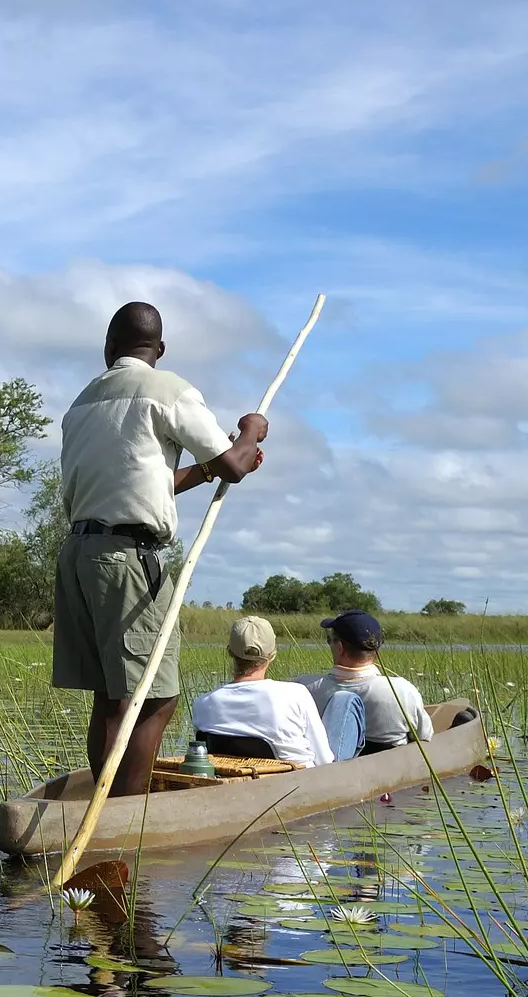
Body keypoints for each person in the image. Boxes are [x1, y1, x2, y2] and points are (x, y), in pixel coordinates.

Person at [54, 301, 269, 795]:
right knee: (154, 699)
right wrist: (251, 430)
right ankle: (125, 814)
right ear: (161, 349)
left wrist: (213, 467)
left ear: (109, 349)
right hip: (128, 560)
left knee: (111, 696)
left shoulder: (83, 402)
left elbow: (148, 484)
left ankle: (106, 804)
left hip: (79, 556)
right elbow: (235, 463)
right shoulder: (166, 389)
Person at [190, 616, 334, 767]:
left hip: (236, 783)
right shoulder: (296, 694)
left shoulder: (202, 703)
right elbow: (324, 760)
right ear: (272, 654)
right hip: (299, 783)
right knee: (345, 701)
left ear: (230, 652)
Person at [300, 610, 433, 754]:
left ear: (340, 648)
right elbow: (424, 738)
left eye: (330, 640)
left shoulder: (302, 688)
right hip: (389, 768)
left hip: (326, 769)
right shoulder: (403, 691)